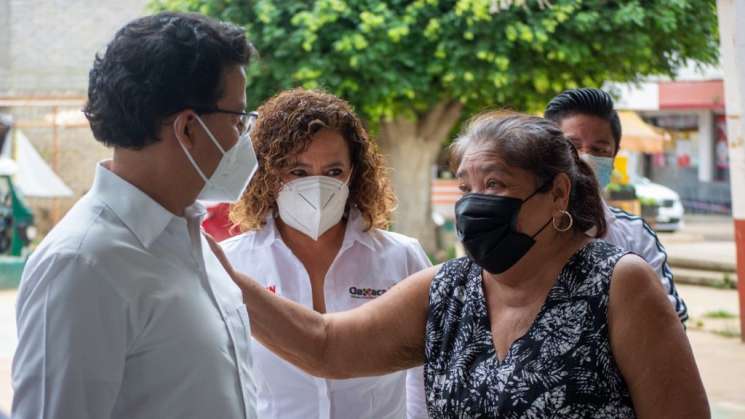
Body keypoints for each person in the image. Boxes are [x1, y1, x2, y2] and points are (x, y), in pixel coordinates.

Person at [210, 114, 709, 418]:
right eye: (466, 188)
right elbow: (326, 346)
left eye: (495, 184)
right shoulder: (450, 288)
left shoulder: (617, 283)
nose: (474, 205)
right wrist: (217, 271)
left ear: (557, 192)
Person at [13, 12, 259, 419]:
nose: (243, 138)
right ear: (188, 128)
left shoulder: (193, 241)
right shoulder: (83, 265)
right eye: (237, 120)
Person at [221, 88, 429, 419]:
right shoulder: (231, 264)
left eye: (333, 172)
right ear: (268, 174)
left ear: (354, 172)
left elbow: (424, 374)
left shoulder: (401, 257)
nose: (317, 186)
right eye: (298, 172)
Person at [544, 88, 688, 322]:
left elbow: (668, 320)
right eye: (572, 146)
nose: (584, 157)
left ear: (614, 156)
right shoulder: (524, 226)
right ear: (547, 151)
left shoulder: (635, 235)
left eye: (599, 150)